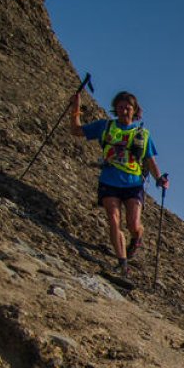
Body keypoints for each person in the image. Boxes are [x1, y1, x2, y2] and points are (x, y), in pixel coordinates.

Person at [69, 90, 168, 274]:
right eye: (120, 107)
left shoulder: (143, 134)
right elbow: (76, 130)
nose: (124, 111)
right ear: (115, 109)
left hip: (133, 183)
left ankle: (137, 236)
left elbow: (149, 160)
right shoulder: (105, 127)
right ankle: (123, 263)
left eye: (127, 108)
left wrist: (160, 179)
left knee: (133, 224)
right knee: (114, 220)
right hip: (109, 181)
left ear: (134, 110)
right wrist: (75, 108)